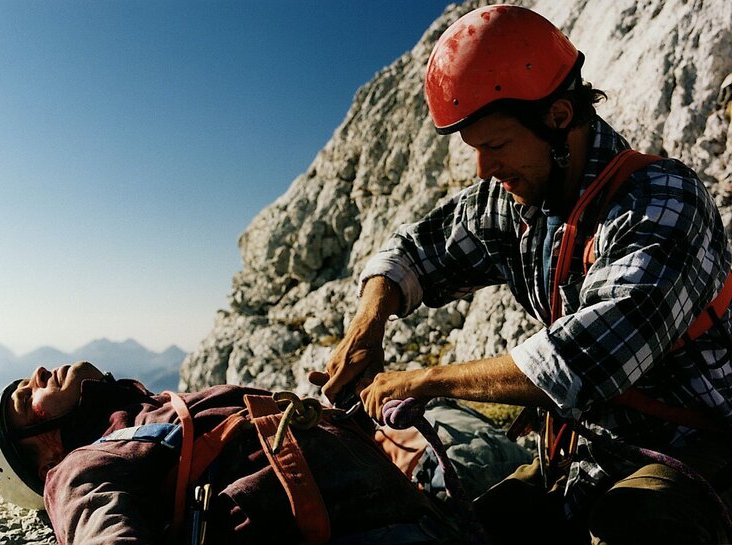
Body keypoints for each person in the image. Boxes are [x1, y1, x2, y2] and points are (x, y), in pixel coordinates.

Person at [311, 4, 732, 544]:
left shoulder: (663, 202)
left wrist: (424, 380)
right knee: (464, 529)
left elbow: (584, 361)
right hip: (588, 451)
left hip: (692, 444)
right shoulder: (513, 204)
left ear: (559, 117)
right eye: (475, 150)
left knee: (635, 526)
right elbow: (411, 251)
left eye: (497, 145)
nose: (484, 170)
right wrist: (366, 326)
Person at [0, 361, 464, 545]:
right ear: (41, 457)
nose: (38, 372)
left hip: (419, 514)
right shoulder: (74, 471)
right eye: (25, 396)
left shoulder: (145, 417)